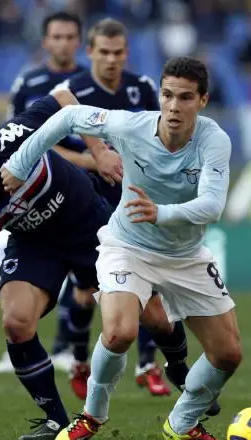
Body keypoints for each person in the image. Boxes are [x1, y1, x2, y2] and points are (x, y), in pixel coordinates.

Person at [2, 56, 242, 440]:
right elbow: (68, 117)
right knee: (119, 333)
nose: (173, 106)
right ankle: (91, 417)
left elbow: (213, 205)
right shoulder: (133, 125)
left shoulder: (214, 140)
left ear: (202, 100)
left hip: (186, 254)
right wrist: (20, 161)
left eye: (185, 98)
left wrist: (160, 213)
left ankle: (182, 423)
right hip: (128, 247)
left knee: (228, 354)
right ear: (159, 94)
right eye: (167, 95)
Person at [0, 89, 122, 440]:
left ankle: (184, 384)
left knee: (151, 315)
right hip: (35, 244)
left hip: (87, 220)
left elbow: (65, 98)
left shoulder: (7, 139)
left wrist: (99, 153)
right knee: (16, 323)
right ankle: (58, 422)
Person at [50, 17, 180, 399]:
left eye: (118, 52)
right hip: (85, 204)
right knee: (86, 290)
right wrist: (96, 160)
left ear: (126, 53)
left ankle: (148, 365)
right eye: (103, 52)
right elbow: (48, 147)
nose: (111, 60)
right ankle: (78, 359)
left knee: (147, 286)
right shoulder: (72, 92)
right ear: (89, 52)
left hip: (134, 200)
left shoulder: (142, 88)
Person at [0, 11, 87, 374]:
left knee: (85, 272)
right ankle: (19, 342)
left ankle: (66, 346)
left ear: (79, 41)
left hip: (88, 185)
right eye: (57, 37)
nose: (63, 43)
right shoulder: (29, 83)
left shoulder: (90, 81)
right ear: (46, 41)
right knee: (31, 261)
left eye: (69, 37)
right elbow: (19, 137)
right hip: (39, 186)